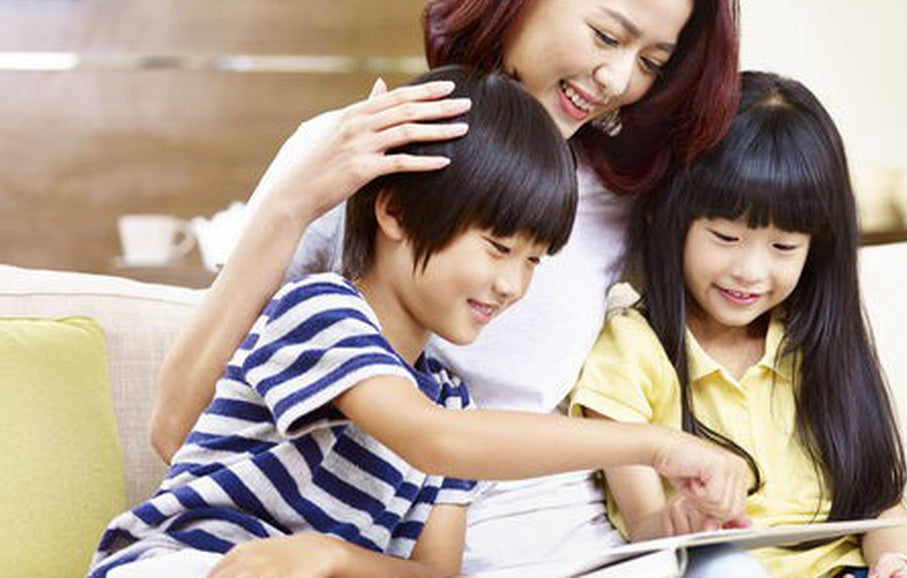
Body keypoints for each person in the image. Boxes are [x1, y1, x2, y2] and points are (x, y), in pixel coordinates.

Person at [148, 0, 760, 573]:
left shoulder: (451, 393)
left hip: (559, 540)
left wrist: (660, 515)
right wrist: (293, 204)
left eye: (652, 62)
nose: (618, 79)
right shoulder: (357, 173)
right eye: (605, 35)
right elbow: (180, 428)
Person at [570, 71, 907, 578]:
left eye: (784, 246)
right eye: (725, 237)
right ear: (665, 216)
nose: (751, 271)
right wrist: (679, 521)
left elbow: (880, 506)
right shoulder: (633, 349)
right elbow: (644, 530)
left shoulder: (813, 344)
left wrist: (894, 563)